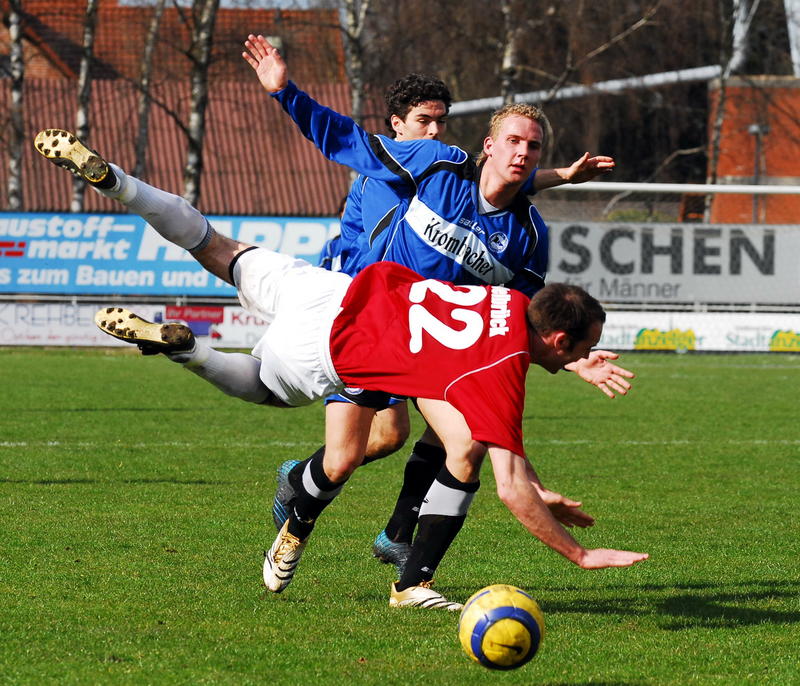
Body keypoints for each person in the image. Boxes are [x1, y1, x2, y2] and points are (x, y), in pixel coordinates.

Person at [35, 128, 648, 610]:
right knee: (265, 389)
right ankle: (187, 350)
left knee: (213, 243)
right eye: (579, 350)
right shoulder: (499, 364)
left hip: (327, 288)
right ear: (559, 340)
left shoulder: (508, 301)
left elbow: (512, 418)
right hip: (333, 349)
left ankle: (117, 181)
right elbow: (511, 480)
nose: (577, 360)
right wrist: (580, 554)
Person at [242, 35, 637, 606]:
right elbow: (351, 141)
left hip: (433, 349)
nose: (523, 152)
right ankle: (298, 523)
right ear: (487, 146)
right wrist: (285, 92)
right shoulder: (434, 167)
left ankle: (411, 581)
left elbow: (522, 321)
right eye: (513, 141)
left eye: (533, 144)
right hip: (372, 330)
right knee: (347, 457)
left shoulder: (528, 237)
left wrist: (574, 357)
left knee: (466, 444)